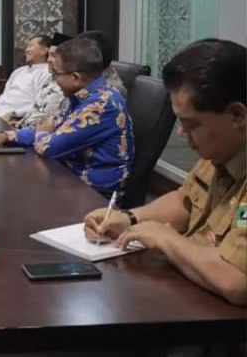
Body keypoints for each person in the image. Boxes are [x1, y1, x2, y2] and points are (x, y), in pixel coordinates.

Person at [84, 39, 246, 306]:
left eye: (191, 124)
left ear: (237, 115)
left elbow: (236, 280)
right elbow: (186, 200)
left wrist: (167, 239)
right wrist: (129, 218)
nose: (181, 133)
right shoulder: (223, 150)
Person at [0, 38, 135, 197]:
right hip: (68, 177)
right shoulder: (85, 94)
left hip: (94, 195)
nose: (54, 80)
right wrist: (6, 136)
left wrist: (43, 133)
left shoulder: (99, 106)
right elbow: (56, 129)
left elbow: (47, 147)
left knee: (7, 192)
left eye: (56, 74)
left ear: (75, 78)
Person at [0, 35, 51, 120]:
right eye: (27, 47)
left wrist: (15, 114)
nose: (26, 50)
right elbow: (5, 96)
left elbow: (39, 104)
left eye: (31, 46)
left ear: (44, 51)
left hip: (16, 118)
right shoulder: (18, 71)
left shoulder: (46, 72)